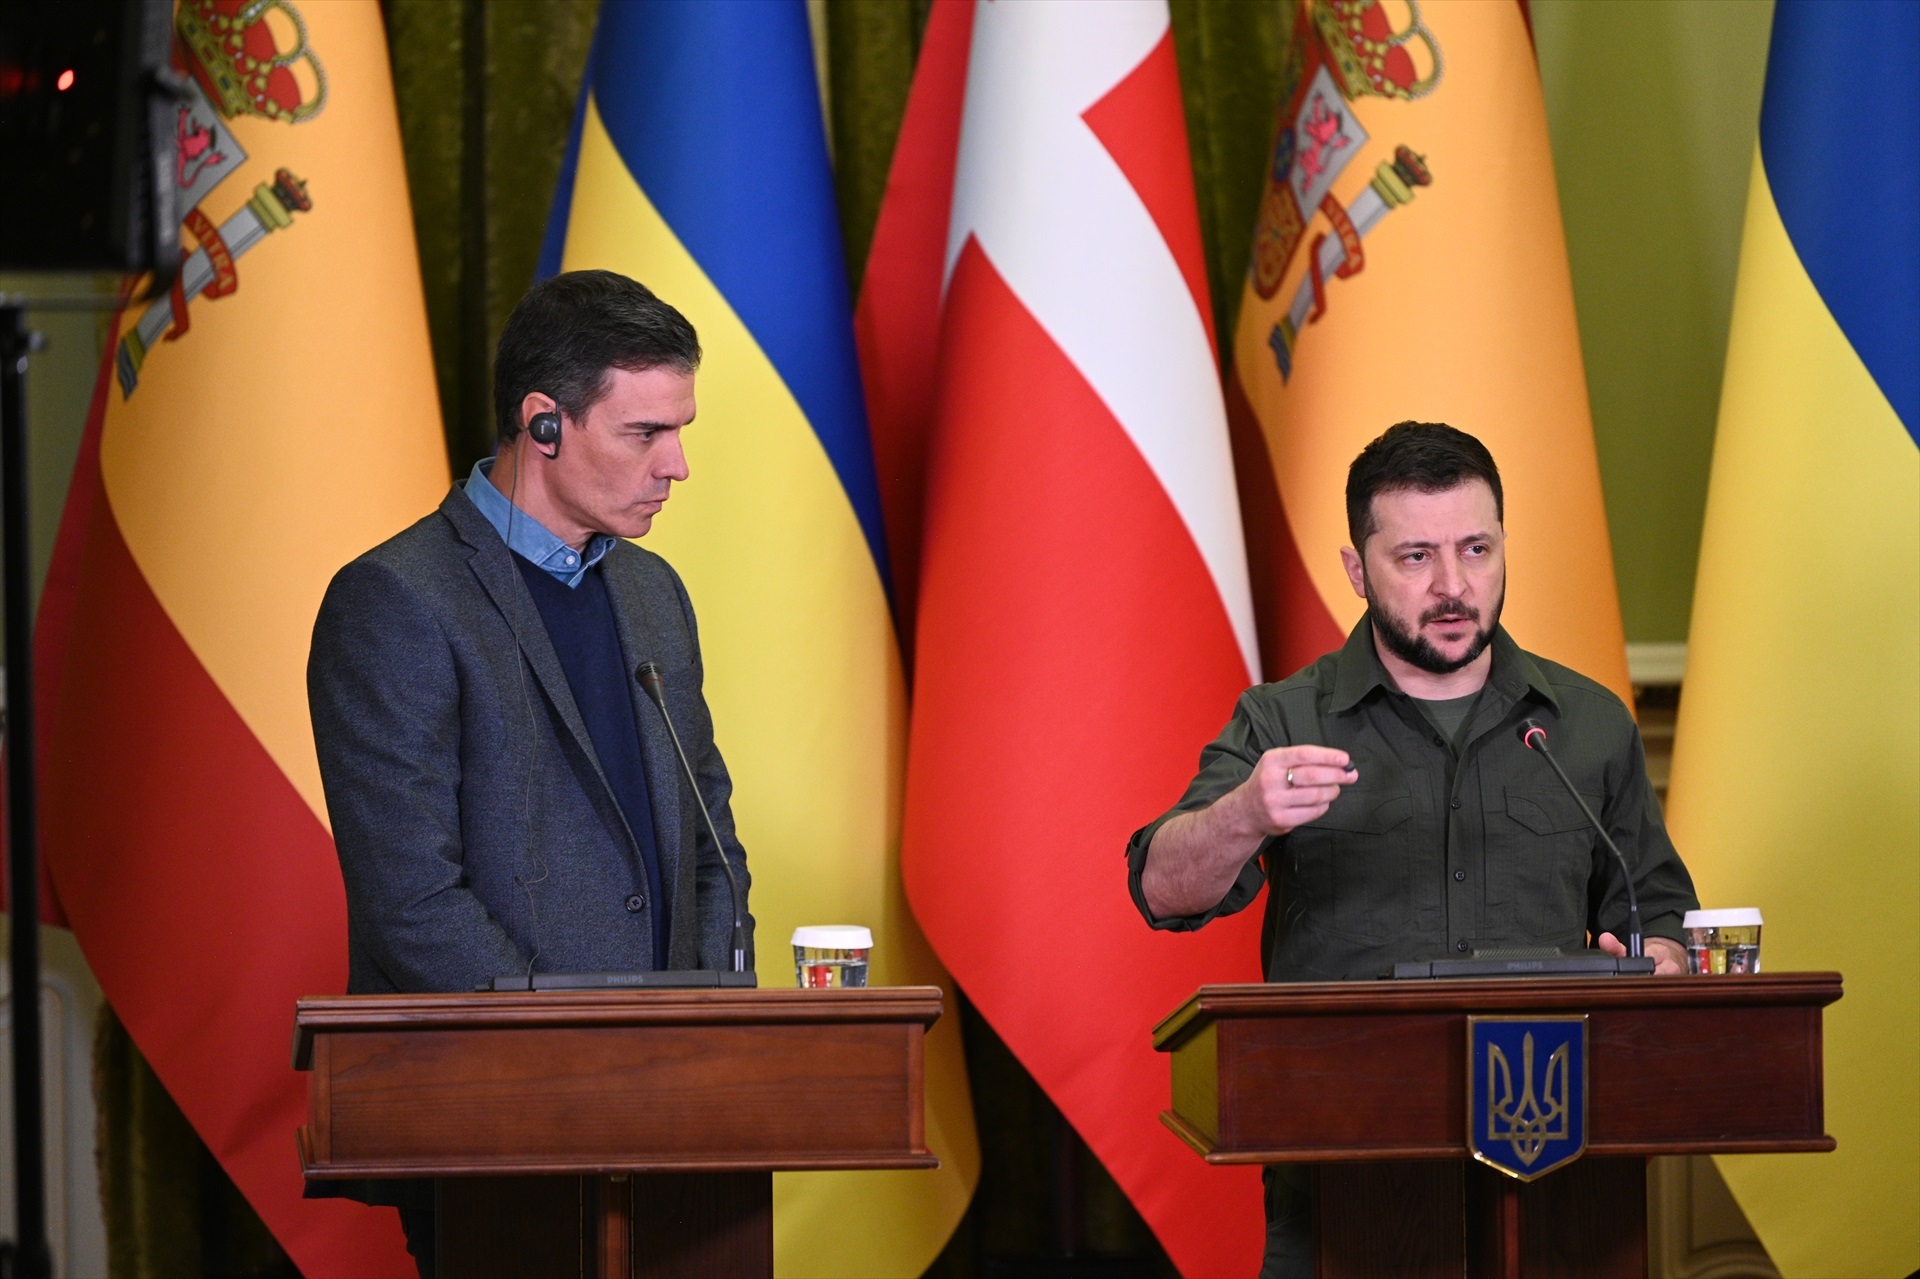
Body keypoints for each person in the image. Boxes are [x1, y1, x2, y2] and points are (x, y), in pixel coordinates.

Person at [1125, 422, 1696, 1278]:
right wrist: (1245, 811)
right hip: (1345, 1177)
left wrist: (1661, 956)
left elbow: (1662, 925)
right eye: (1417, 557)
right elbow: (1162, 887)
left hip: (1562, 1175)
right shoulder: (1284, 721)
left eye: (1476, 548)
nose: (1455, 585)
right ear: (1357, 570)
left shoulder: (1589, 725)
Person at [307, 269, 752, 1274]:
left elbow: (711, 840)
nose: (677, 464)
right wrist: (581, 1059)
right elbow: (413, 901)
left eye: (679, 429)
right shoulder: (396, 600)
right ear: (542, 425)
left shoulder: (652, 592)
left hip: (680, 1110)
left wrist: (723, 1028)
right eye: (646, 433)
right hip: (491, 1112)